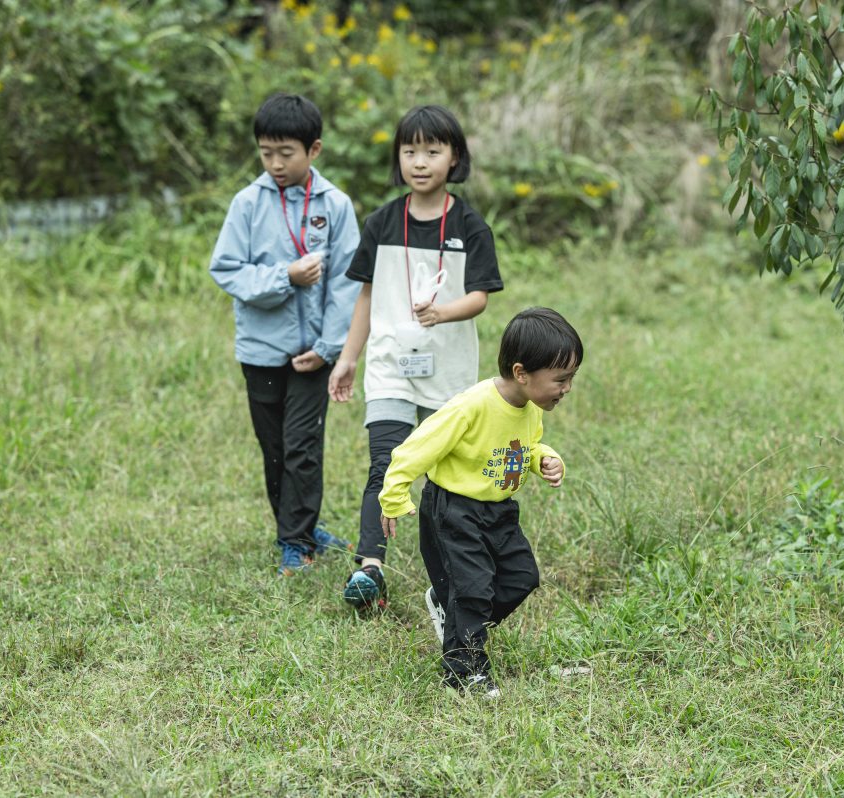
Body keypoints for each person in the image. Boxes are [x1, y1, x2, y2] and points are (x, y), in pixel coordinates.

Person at [329, 105, 503, 607]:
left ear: (455, 158)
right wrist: (348, 359)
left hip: (448, 371)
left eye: (432, 150)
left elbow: (481, 296)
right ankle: (370, 569)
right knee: (384, 463)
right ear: (398, 159)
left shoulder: (470, 225)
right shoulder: (382, 222)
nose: (419, 161)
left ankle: (452, 565)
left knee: (446, 473)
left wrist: (443, 312)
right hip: (388, 365)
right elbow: (366, 297)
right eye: (409, 151)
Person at [378, 307, 583, 696]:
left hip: (499, 510)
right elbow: (415, 449)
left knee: (522, 578)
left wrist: (545, 459)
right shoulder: (470, 406)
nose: (567, 388)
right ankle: (464, 671)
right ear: (522, 373)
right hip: (455, 509)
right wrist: (393, 495)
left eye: (570, 378)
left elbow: (528, 444)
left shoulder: (529, 408)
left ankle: (451, 611)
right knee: (473, 591)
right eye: (561, 379)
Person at [210, 93, 360, 575]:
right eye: (266, 152)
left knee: (302, 447)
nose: (275, 163)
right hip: (260, 351)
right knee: (274, 448)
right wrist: (284, 278)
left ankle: (296, 541)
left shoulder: (335, 206)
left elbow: (347, 283)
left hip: (312, 354)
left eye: (286, 153)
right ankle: (299, 526)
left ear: (314, 150)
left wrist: (328, 348)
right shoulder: (247, 203)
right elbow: (227, 269)